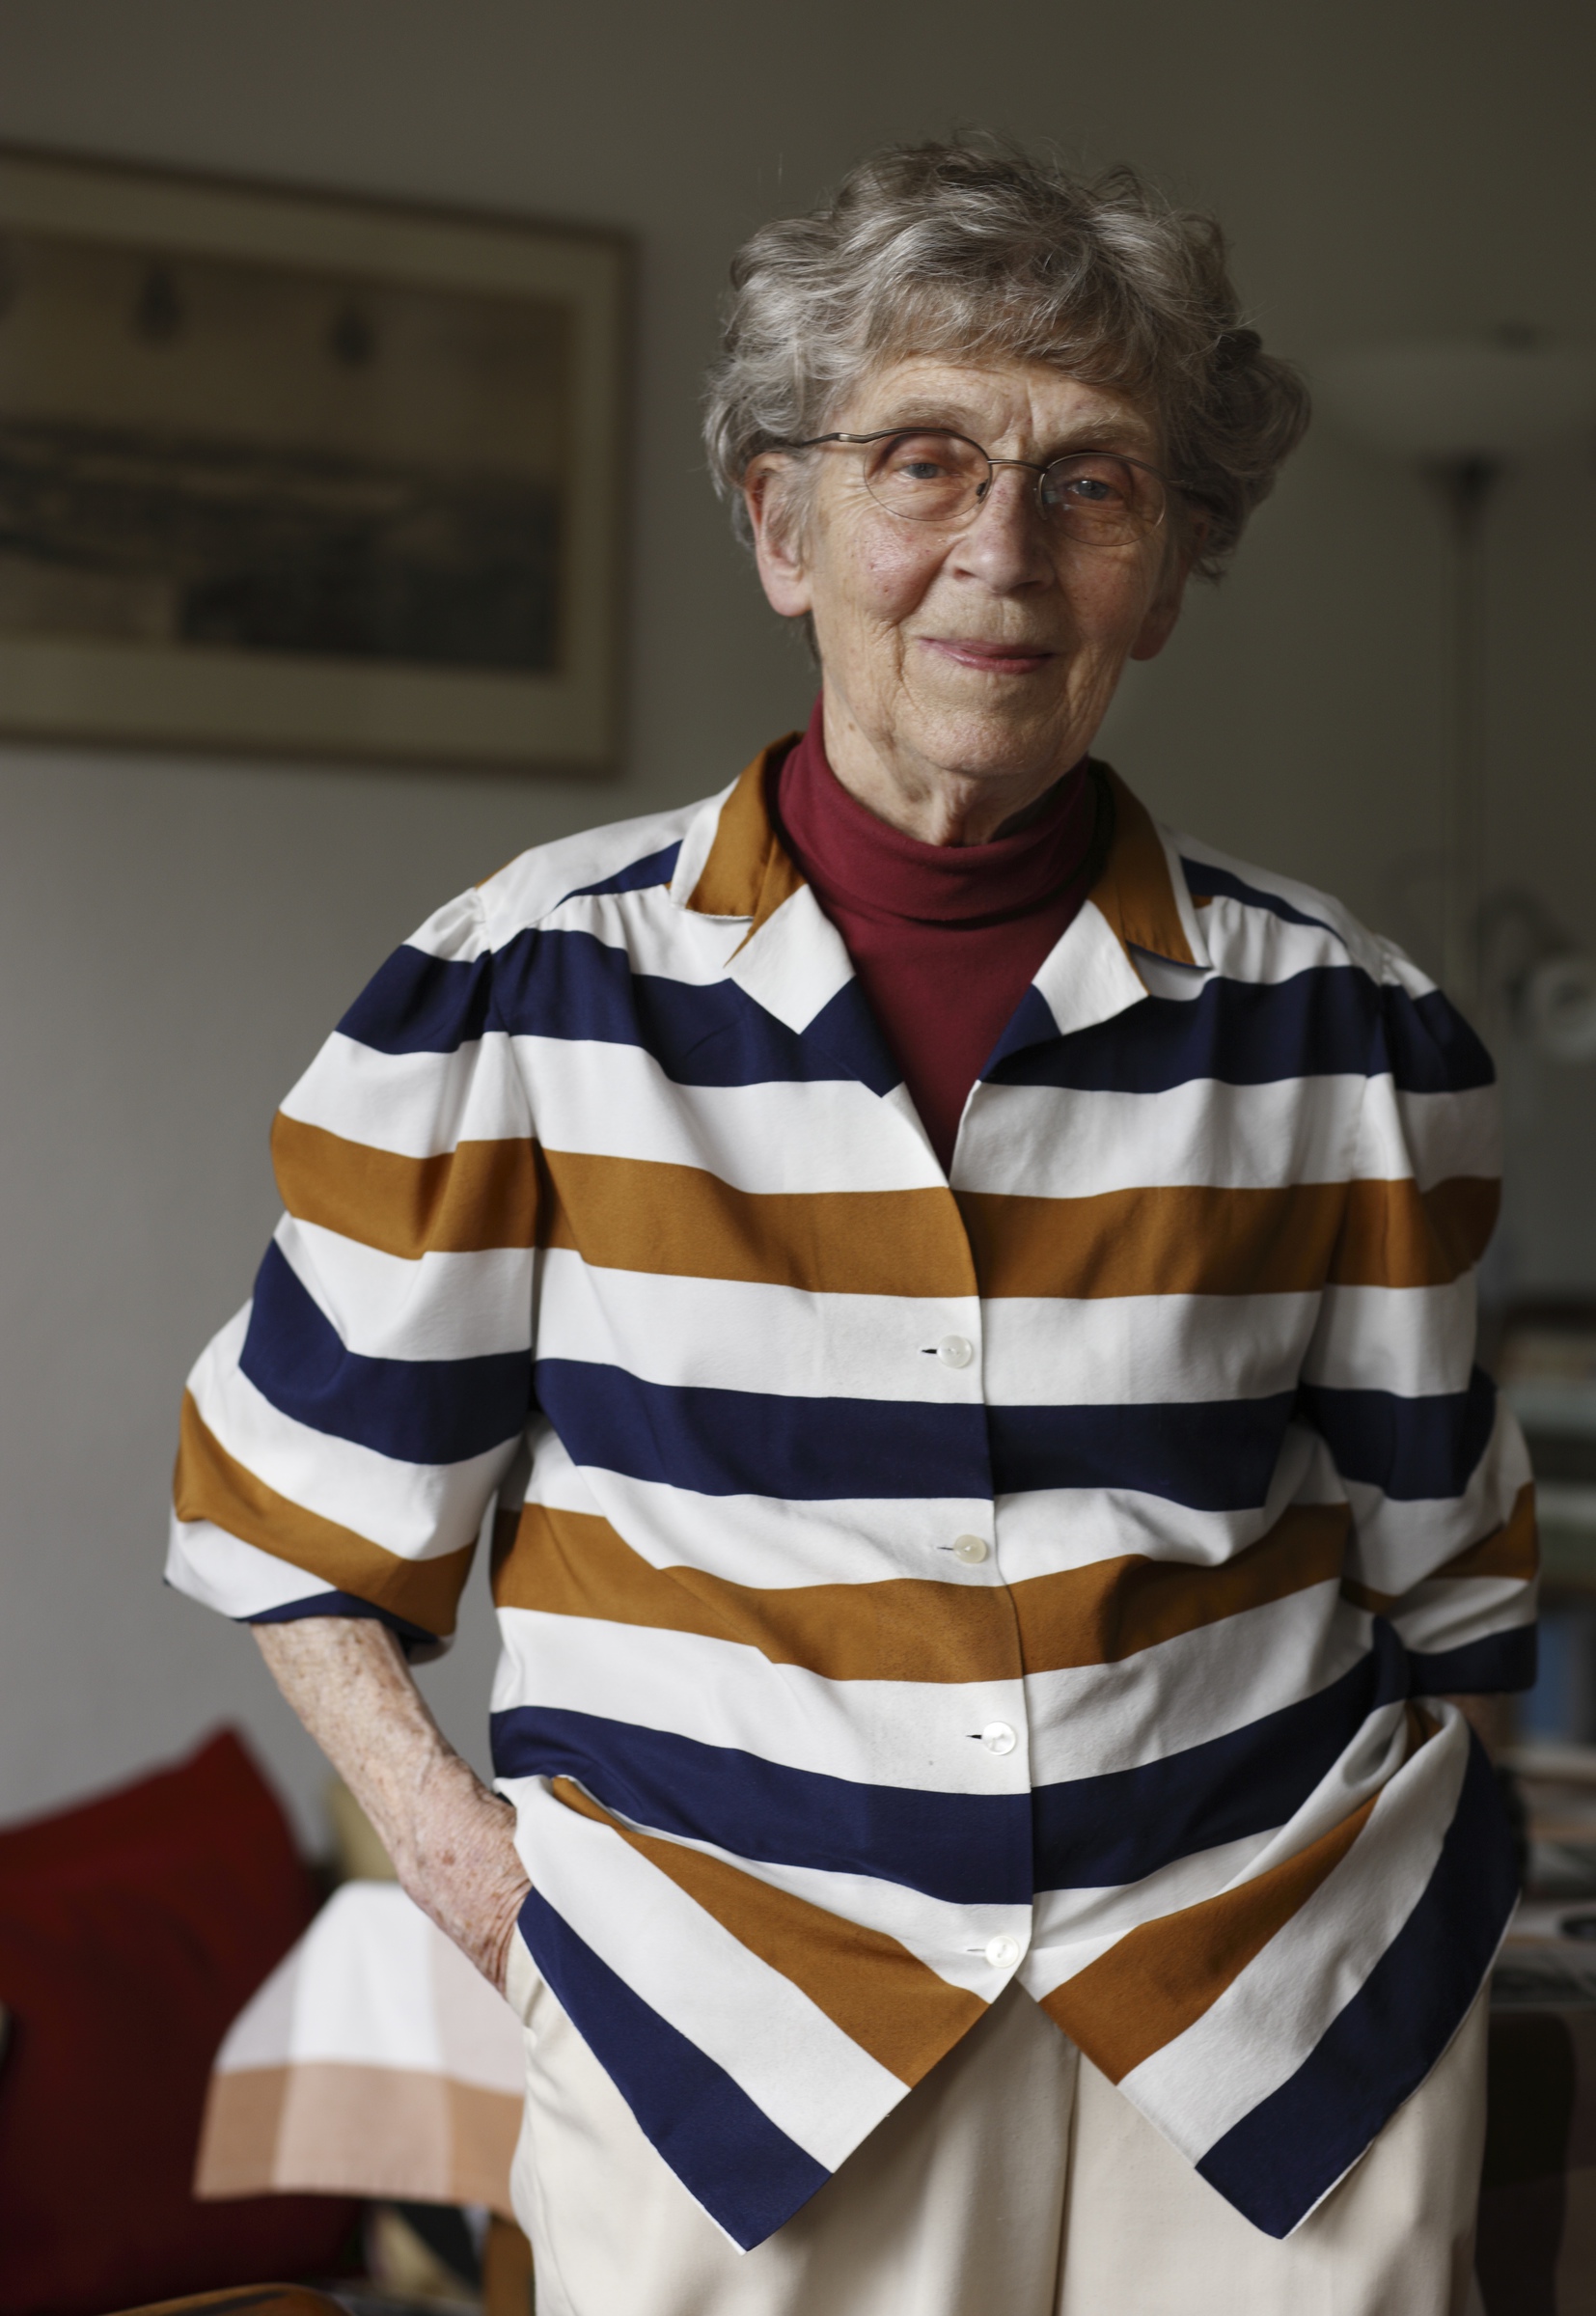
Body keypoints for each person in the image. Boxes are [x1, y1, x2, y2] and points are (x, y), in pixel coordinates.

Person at [168, 141, 1535, 2315]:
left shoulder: (1348, 1028)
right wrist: (487, 1886)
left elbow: (1444, 1575)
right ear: (780, 526)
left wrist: (1436, 1880)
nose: (1001, 550)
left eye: (1092, 483)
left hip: (1269, 2015)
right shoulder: (519, 989)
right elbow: (303, 1522)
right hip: (730, 2031)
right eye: (924, 462)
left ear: (1167, 575)